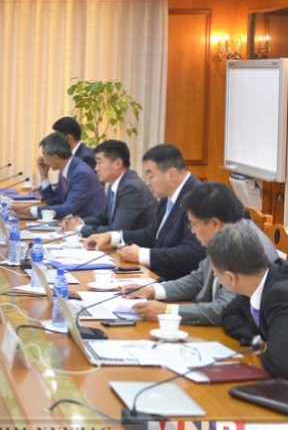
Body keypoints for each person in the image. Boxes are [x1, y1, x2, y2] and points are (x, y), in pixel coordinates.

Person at [128, 182, 279, 324]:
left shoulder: (244, 245)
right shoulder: (226, 235)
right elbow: (199, 279)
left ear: (214, 223)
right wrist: (153, 290)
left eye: (193, 224)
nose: (192, 231)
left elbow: (224, 308)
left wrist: (167, 311)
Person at [85, 144, 204, 281]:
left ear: (171, 175)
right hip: (157, 277)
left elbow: (193, 253)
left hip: (179, 283)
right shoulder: (167, 195)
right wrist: (111, 237)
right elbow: (151, 234)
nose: (147, 183)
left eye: (151, 176)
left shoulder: (198, 198)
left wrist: (142, 255)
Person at [209, 223, 288, 380]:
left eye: (216, 273)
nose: (216, 276)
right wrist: (258, 340)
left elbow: (280, 366)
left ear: (231, 278)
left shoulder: (279, 295)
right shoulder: (258, 282)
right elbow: (229, 315)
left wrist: (269, 348)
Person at [61, 139, 156, 236]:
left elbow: (116, 231)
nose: (96, 168)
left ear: (118, 164)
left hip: (135, 244)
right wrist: (79, 222)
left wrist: (79, 228)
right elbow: (103, 217)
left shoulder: (131, 188)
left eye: (99, 162)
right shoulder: (115, 184)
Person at [21, 132, 105, 220]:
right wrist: (44, 175)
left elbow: (68, 209)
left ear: (56, 158)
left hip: (89, 225)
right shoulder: (66, 169)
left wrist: (29, 211)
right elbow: (55, 202)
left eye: (45, 155)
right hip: (72, 222)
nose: (44, 160)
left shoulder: (81, 173)